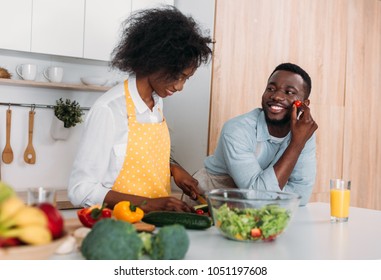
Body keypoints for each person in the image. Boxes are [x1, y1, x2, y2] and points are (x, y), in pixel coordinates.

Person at [68, 6, 212, 212]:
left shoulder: (157, 103)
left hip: (158, 225)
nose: (180, 86)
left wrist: (173, 169)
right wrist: (151, 204)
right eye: (177, 75)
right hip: (120, 229)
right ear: (154, 60)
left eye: (185, 78)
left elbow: (136, 159)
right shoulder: (109, 109)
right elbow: (80, 190)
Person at [193, 62, 318, 206]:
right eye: (271, 88)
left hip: (250, 211)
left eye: (289, 92)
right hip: (208, 204)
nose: (276, 96)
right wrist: (296, 144)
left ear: (304, 104)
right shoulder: (236, 129)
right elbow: (258, 199)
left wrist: (263, 195)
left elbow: (301, 194)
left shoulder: (304, 134)